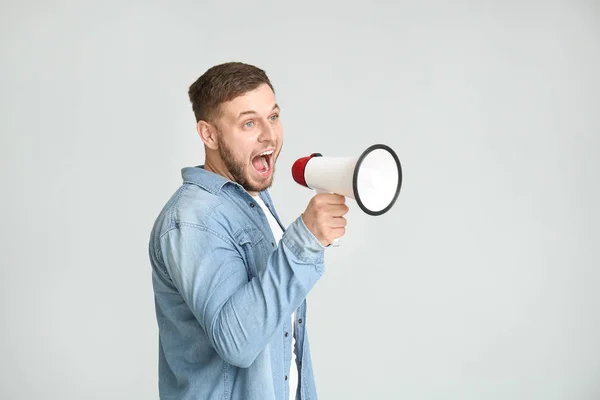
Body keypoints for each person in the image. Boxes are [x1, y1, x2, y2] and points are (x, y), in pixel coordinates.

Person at [148, 61, 349, 400]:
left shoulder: (251, 200)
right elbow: (238, 342)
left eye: (273, 116)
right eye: (249, 123)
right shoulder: (193, 219)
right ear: (208, 134)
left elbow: (280, 335)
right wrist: (304, 241)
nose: (269, 135)